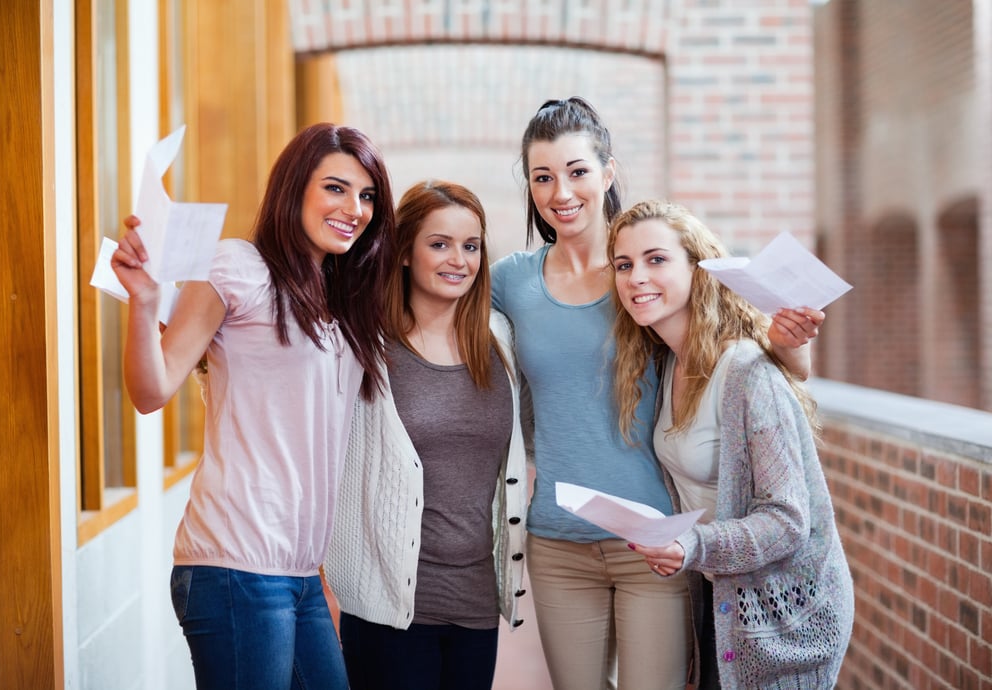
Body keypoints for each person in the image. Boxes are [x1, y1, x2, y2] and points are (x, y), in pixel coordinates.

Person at [490, 97, 825, 690]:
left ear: (607, 173)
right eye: (543, 177)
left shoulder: (646, 274)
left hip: (656, 543)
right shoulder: (512, 281)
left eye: (577, 171)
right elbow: (444, 322)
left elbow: (742, 345)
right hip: (558, 542)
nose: (561, 192)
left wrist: (793, 347)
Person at [110, 122, 395, 690]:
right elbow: (152, 389)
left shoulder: (344, 299)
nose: (355, 209)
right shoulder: (239, 267)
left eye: (367, 196)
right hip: (235, 562)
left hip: (299, 572)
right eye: (335, 188)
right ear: (295, 189)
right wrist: (143, 304)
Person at [609, 200, 854, 689]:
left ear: (698, 270)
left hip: (784, 619)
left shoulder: (744, 371)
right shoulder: (665, 364)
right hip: (722, 598)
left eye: (656, 260)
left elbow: (788, 520)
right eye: (624, 264)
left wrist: (692, 544)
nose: (637, 277)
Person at [325, 180, 528, 690]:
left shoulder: (500, 339)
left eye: (471, 245)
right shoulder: (363, 344)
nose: (458, 259)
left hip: (477, 604)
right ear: (403, 254)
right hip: (389, 606)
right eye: (439, 244)